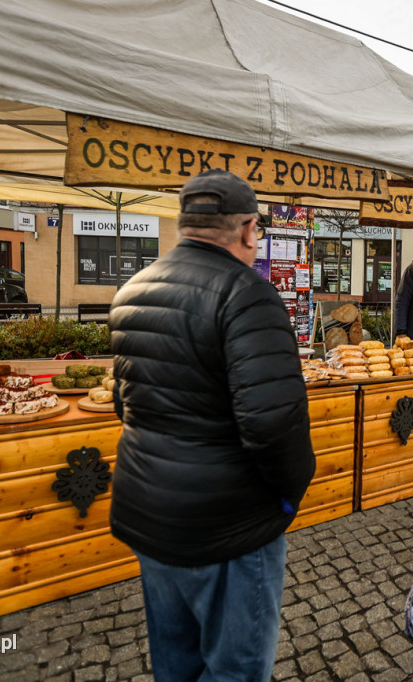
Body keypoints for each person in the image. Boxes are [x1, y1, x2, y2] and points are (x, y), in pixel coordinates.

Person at [108, 169, 316, 681]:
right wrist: (290, 496)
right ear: (248, 230)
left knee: (175, 667)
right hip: (228, 526)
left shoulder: (133, 289)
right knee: (236, 672)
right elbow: (273, 426)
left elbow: (124, 402)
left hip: (151, 512)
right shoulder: (249, 295)